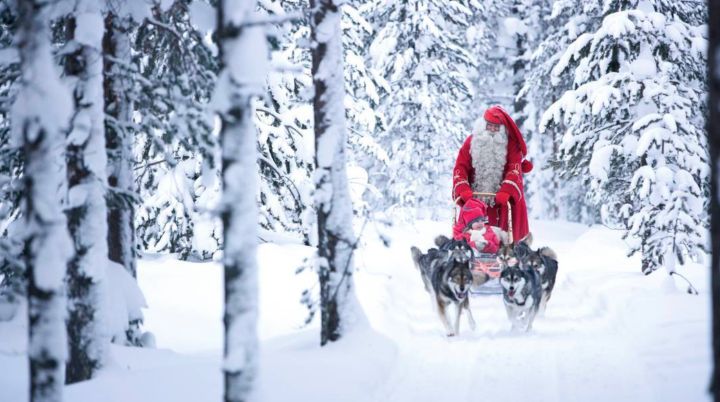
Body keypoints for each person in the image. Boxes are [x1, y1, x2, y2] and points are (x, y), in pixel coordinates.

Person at [452, 105, 532, 243]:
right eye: (490, 126)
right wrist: (463, 189)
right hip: (475, 199)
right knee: (471, 237)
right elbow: (460, 167)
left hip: (502, 201)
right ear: (483, 125)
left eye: (497, 127)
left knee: (506, 240)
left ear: (502, 129)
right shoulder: (471, 142)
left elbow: (515, 169)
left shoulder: (511, 145)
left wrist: (506, 191)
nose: (493, 130)